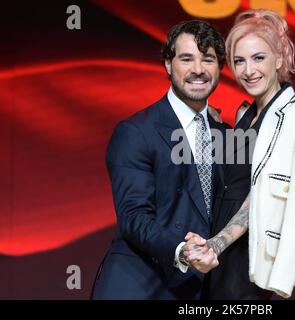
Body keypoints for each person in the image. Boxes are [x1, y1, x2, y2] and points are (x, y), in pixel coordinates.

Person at [183, 9, 295, 299]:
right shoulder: (243, 117)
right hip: (208, 255)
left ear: (280, 58)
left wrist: (217, 244)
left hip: (247, 261)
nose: (248, 70)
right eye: (239, 61)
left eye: (258, 58)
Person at [90, 20, 229, 299]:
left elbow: (236, 211)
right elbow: (134, 216)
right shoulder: (136, 131)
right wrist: (182, 250)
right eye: (186, 59)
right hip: (140, 286)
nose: (198, 70)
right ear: (168, 64)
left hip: (198, 290)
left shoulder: (227, 136)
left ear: (220, 67)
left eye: (208, 59)